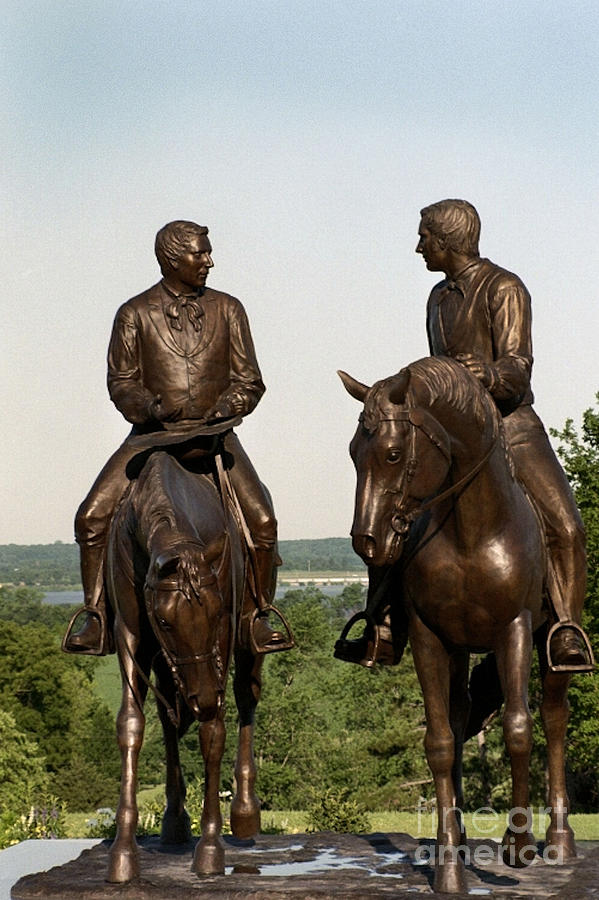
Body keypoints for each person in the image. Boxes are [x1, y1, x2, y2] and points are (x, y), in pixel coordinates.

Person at [337, 199, 591, 671]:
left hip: (512, 427)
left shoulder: (505, 287)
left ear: (447, 240)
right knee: (396, 506)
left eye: (424, 238)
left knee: (568, 527)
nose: (419, 247)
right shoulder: (436, 297)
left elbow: (518, 368)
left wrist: (488, 377)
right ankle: (384, 622)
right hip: (457, 436)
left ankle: (566, 630)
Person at [64, 220, 287, 656]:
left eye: (207, 253)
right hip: (151, 439)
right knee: (90, 517)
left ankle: (257, 615)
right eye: (199, 254)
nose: (209, 261)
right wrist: (148, 408)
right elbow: (121, 381)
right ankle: (95, 616)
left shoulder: (229, 309)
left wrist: (228, 406)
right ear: (171, 259)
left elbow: (250, 379)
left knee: (263, 523)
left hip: (217, 438)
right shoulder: (134, 313)